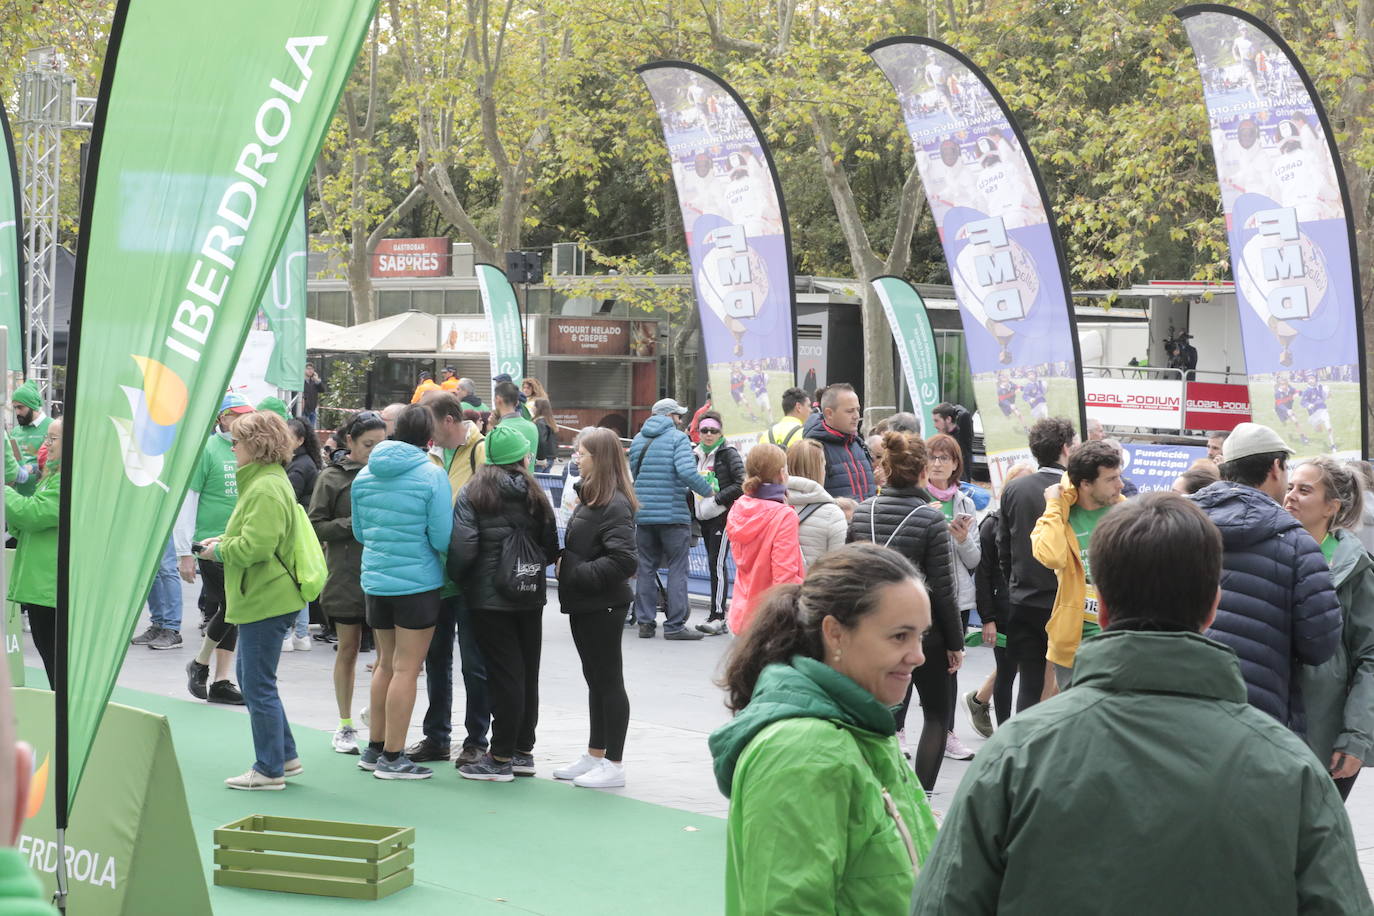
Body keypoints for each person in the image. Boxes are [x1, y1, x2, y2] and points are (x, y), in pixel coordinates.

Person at [911, 493, 1373, 914]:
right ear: (1213, 607)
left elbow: (945, 902)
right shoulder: (1289, 767)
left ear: (1103, 607)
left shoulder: (1016, 754)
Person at [709, 544, 938, 915]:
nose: (918, 655)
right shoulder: (804, 750)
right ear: (835, 633)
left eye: (921, 636)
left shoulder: (862, 728)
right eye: (899, 636)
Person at [1189, 422, 1340, 728]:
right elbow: (1320, 645)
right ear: (1276, 467)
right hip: (1260, 719)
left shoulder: (1172, 522)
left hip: (1182, 703)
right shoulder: (1298, 545)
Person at [200, 411, 308, 791]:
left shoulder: (264, 486)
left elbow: (256, 547)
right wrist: (223, 543)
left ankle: (269, 769)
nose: (233, 449)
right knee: (254, 680)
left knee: (257, 684)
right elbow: (256, 540)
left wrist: (218, 550)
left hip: (266, 596)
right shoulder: (268, 482)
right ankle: (285, 757)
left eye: (237, 442)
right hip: (269, 594)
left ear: (256, 444)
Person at [850, 431, 960, 794]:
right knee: (936, 715)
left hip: (869, 626)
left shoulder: (864, 509)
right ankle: (923, 796)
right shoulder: (930, 519)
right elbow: (943, 590)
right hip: (921, 631)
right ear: (922, 471)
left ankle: (875, 790)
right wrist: (956, 642)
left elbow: (847, 572)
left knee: (876, 711)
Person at [448, 426, 560, 781]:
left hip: (487, 597)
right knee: (528, 671)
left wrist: (465, 579)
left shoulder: (473, 492)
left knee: (503, 673)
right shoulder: (535, 492)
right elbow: (551, 544)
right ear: (523, 457)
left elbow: (463, 547)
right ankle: (523, 750)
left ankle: (499, 758)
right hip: (529, 592)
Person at [350, 405, 454, 780]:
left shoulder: (364, 474)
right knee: (407, 670)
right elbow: (442, 537)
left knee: (384, 664)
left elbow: (360, 533)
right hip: (417, 584)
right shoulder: (432, 475)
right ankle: (395, 758)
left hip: (376, 581)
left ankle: (375, 748)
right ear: (429, 437)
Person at [406, 391, 492, 768]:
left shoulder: (482, 452)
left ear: (449, 421)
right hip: (433, 575)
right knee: (436, 657)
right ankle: (436, 737)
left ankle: (476, 740)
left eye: (430, 423)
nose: (426, 431)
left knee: (474, 662)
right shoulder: (429, 455)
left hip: (470, 575)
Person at [553, 428, 636, 789]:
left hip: (602, 603)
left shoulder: (614, 503)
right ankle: (595, 752)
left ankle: (613, 763)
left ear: (599, 458)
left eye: (582, 453)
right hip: (586, 602)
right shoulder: (591, 497)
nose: (577, 457)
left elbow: (623, 560)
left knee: (608, 680)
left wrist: (576, 572)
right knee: (595, 679)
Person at [1287, 458, 1374, 801]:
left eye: (1304, 490)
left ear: (1331, 507)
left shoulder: (1355, 569)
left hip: (1326, 738)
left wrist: (1356, 737)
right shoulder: (1270, 553)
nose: (1291, 496)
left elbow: (1370, 657)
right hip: (1271, 729)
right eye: (1291, 486)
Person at [309, 410, 386, 756]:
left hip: (387, 574)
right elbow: (317, 524)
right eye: (368, 444)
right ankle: (344, 724)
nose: (374, 450)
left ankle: (379, 717)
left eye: (381, 444)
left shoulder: (390, 474)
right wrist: (355, 525)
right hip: (345, 575)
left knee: (388, 656)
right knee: (349, 649)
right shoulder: (331, 477)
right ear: (349, 442)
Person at [177, 394, 254, 706]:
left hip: (240, 543)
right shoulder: (206, 450)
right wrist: (185, 551)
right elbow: (188, 501)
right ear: (222, 418)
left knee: (230, 609)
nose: (243, 420)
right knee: (232, 606)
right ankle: (201, 664)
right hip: (209, 545)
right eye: (237, 415)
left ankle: (220, 678)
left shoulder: (251, 449)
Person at [996, 417, 1076, 713]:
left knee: (1028, 684)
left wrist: (1014, 581)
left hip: (1024, 598)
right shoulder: (1074, 489)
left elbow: (1003, 544)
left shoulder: (1015, 489)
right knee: (1066, 683)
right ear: (1066, 448)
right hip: (1065, 600)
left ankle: (1019, 749)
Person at [1031, 441, 1125, 690]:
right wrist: (1054, 505)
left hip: (1118, 639)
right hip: (1074, 643)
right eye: (1111, 479)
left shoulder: (1124, 513)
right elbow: (1052, 557)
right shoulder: (1059, 515)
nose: (1121, 485)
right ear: (1085, 483)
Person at [628, 399, 714, 640]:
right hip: (673, 514)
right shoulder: (678, 439)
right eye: (678, 416)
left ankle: (645, 623)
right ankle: (675, 625)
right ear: (668, 416)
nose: (680, 420)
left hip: (643, 514)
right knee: (678, 568)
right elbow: (687, 472)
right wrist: (708, 491)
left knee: (645, 567)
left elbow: (636, 474)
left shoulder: (638, 440)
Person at [964, 463, 1033, 735]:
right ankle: (1004, 733)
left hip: (1031, 607)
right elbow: (982, 576)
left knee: (1029, 673)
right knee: (1006, 671)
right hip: (1004, 612)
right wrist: (988, 620)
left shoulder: (1043, 522)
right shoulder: (992, 524)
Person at [925, 433, 981, 762]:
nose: (937, 464)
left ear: (956, 464)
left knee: (951, 668)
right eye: (932, 457)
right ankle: (899, 729)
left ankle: (947, 733)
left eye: (944, 458)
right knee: (906, 663)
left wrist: (962, 540)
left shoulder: (965, 503)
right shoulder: (917, 497)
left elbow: (974, 560)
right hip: (920, 596)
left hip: (956, 598)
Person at [724, 445, 804, 635]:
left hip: (741, 612)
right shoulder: (783, 515)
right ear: (781, 473)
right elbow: (784, 576)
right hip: (770, 620)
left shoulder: (738, 507)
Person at [4, 421, 61, 687]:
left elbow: (33, 514)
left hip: (51, 586)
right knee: (50, 654)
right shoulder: (53, 477)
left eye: (53, 439)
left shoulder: (67, 480)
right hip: (44, 585)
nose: (46, 445)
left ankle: (65, 722)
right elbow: (27, 519)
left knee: (56, 659)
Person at [690, 411, 744, 635]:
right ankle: (715, 613)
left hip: (722, 516)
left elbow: (742, 482)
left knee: (717, 563)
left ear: (721, 432)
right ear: (698, 432)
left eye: (713, 430)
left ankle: (719, 615)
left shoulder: (728, 453)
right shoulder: (694, 454)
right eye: (705, 430)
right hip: (703, 516)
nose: (709, 434)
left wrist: (718, 500)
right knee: (714, 563)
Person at [282, 417, 321, 653]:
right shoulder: (303, 462)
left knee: (293, 582)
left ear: (300, 440)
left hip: (298, 530)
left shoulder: (298, 466)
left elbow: (288, 500)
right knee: (301, 583)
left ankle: (292, 634)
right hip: (304, 529)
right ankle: (300, 634)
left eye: (288, 437)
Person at [803, 382, 875, 499]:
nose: (856, 415)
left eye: (857, 409)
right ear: (829, 413)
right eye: (850, 411)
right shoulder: (814, 449)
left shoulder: (859, 445)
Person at [784, 438, 846, 568]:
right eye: (823, 465)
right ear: (817, 469)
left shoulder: (769, 506)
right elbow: (840, 568)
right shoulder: (832, 514)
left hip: (779, 587)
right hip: (816, 586)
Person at [8, 381, 50, 497]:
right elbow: (12, 456)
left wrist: (33, 468)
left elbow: (57, 462)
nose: (17, 412)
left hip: (40, 497)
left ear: (33, 405)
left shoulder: (52, 427)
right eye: (15, 407)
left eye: (20, 407)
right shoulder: (16, 431)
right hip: (16, 497)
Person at [491, 379, 539, 459]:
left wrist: (493, 429)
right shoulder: (533, 427)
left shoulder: (499, 430)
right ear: (517, 403)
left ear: (498, 399)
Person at [933, 402, 975, 482]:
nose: (935, 425)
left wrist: (954, 408)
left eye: (937, 421)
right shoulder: (942, 437)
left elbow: (965, 414)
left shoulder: (962, 435)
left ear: (948, 419)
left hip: (960, 483)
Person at [530, 397, 559, 472]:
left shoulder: (539, 422)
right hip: (550, 458)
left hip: (542, 460)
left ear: (538, 408)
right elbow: (554, 441)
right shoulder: (550, 421)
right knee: (545, 481)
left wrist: (541, 459)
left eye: (534, 406)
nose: (532, 408)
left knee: (538, 481)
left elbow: (541, 441)